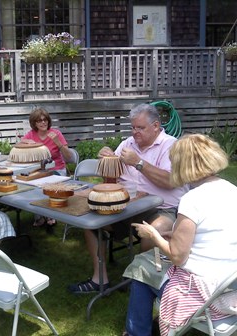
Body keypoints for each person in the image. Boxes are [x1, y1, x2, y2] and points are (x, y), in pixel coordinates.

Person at [68, 103, 188, 294]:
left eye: (140, 128)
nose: (135, 132)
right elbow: (111, 179)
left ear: (156, 126)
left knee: (153, 230)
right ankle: (100, 279)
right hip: (128, 204)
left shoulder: (171, 145)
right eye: (133, 127)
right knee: (91, 223)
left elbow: (170, 181)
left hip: (164, 208)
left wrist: (139, 163)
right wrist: (107, 160)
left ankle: (140, 280)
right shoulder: (127, 144)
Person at [124, 134, 237, 336]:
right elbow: (216, 230)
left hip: (207, 291)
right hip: (231, 282)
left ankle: (136, 332)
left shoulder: (192, 199)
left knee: (140, 264)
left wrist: (153, 235)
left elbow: (177, 257)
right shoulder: (231, 189)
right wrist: (173, 233)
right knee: (147, 262)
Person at [22, 107, 72, 226]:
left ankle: (49, 215)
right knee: (32, 183)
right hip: (39, 170)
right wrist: (27, 142)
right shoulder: (31, 134)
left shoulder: (56, 134)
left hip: (57, 170)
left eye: (45, 120)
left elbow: (69, 157)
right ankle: (40, 215)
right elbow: (18, 144)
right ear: (34, 123)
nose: (43, 122)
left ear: (48, 121)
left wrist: (58, 143)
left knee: (46, 184)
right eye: (39, 120)